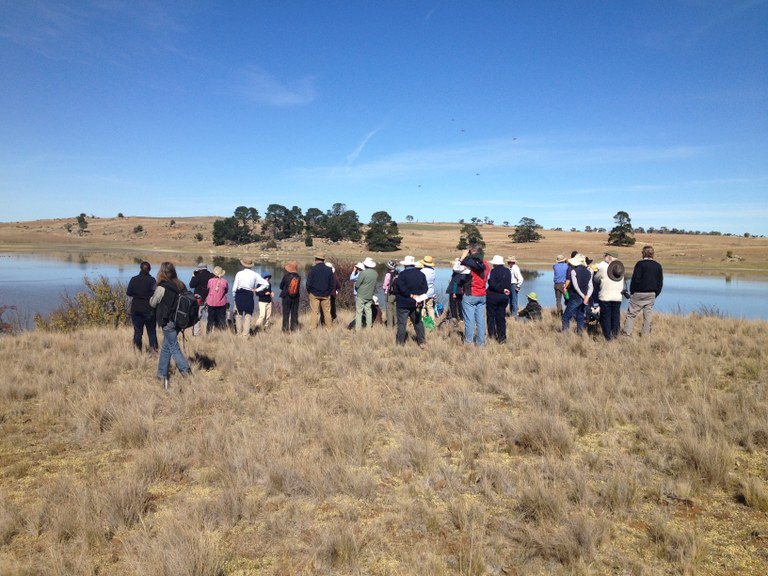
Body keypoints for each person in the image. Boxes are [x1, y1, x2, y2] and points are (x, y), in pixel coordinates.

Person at [149, 261, 191, 388]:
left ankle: (186, 372)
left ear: (162, 272)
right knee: (166, 347)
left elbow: (152, 303)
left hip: (168, 322)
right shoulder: (181, 285)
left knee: (173, 347)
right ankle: (161, 374)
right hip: (180, 321)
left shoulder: (162, 287)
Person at [454, 243, 490, 346]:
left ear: (472, 251)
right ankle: (481, 343)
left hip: (470, 294)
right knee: (480, 320)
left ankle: (468, 343)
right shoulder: (486, 264)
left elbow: (456, 268)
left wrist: (462, 257)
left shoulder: (469, 265)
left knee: (469, 320)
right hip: (482, 294)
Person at [623, 245, 663, 336]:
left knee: (631, 314)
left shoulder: (640, 264)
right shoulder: (658, 266)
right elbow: (660, 282)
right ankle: (645, 335)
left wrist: (632, 292)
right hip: (651, 294)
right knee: (648, 316)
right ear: (652, 254)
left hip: (638, 293)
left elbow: (635, 280)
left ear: (644, 253)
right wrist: (656, 294)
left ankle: (626, 334)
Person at [394, 256, 428, 346]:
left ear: (405, 265)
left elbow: (400, 289)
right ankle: (422, 342)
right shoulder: (421, 274)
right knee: (418, 322)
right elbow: (425, 288)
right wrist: (418, 295)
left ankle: (400, 343)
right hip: (417, 302)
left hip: (403, 303)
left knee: (402, 324)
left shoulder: (401, 275)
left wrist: (411, 295)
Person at [232, 258, 269, 337]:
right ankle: (246, 335)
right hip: (249, 294)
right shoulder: (255, 274)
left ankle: (239, 334)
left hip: (239, 294)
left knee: (238, 315)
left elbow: (234, 288)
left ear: (243, 265)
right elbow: (266, 284)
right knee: (248, 315)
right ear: (251, 266)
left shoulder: (239, 273)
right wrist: (256, 290)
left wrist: (234, 296)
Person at [126, 261, 158, 352]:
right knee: (151, 331)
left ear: (140, 268)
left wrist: (137, 294)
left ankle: (137, 351)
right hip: (149, 308)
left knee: (137, 332)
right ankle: (154, 351)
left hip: (136, 308)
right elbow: (155, 293)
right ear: (149, 270)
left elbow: (128, 293)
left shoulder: (133, 279)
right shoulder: (152, 280)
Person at [561, 253, 593, 335]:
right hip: (583, 299)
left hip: (575, 297)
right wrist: (587, 297)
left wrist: (583, 296)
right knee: (580, 316)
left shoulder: (573, 271)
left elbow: (576, 287)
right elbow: (591, 287)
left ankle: (565, 335)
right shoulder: (589, 272)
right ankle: (580, 334)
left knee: (565, 317)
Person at [595, 256, 624, 340]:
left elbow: (596, 279)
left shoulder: (603, 268)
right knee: (615, 317)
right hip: (617, 297)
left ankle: (608, 337)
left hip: (605, 297)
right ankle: (615, 335)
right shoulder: (620, 269)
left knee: (606, 317)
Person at [486, 255, 511, 343]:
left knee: (491, 317)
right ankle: (502, 337)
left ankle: (492, 335)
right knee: (501, 317)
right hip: (504, 297)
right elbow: (508, 284)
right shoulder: (507, 271)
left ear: (495, 264)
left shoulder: (493, 271)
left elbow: (492, 284)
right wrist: (505, 291)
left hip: (493, 296)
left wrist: (489, 282)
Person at [306, 253, 334, 330]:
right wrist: (328, 292)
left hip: (314, 293)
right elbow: (332, 284)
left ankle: (313, 329)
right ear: (323, 260)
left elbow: (308, 283)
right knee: (327, 312)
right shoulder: (329, 270)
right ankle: (329, 328)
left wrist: (309, 291)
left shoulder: (313, 269)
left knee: (314, 312)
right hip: (326, 294)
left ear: (316, 259)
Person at [189, 263, 214, 336]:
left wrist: (193, 276)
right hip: (210, 298)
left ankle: (196, 333)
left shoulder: (198, 276)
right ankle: (210, 333)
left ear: (199, 269)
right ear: (206, 268)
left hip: (199, 299)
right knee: (210, 316)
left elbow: (191, 285)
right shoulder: (211, 275)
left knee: (197, 316)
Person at [355, 257, 378, 330]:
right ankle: (369, 327)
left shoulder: (363, 273)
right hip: (369, 294)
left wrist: (357, 288)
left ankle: (358, 328)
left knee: (359, 312)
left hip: (361, 294)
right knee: (368, 311)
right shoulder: (375, 273)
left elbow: (357, 284)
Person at [205, 266, 229, 332]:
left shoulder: (210, 281)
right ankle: (222, 334)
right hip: (221, 303)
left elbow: (208, 289)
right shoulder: (225, 281)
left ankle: (208, 334)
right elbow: (226, 291)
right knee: (221, 319)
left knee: (210, 320)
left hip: (211, 303)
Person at [279, 260, 301, 332]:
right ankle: (294, 329)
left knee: (286, 313)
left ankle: (285, 329)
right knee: (294, 313)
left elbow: (281, 286)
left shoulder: (286, 276)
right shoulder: (298, 277)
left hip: (286, 297)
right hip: (295, 297)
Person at [382, 260, 399, 328]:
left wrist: (385, 290)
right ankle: (397, 325)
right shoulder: (398, 273)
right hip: (397, 294)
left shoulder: (388, 274)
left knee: (389, 310)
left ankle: (389, 326)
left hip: (389, 294)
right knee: (395, 311)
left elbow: (384, 285)